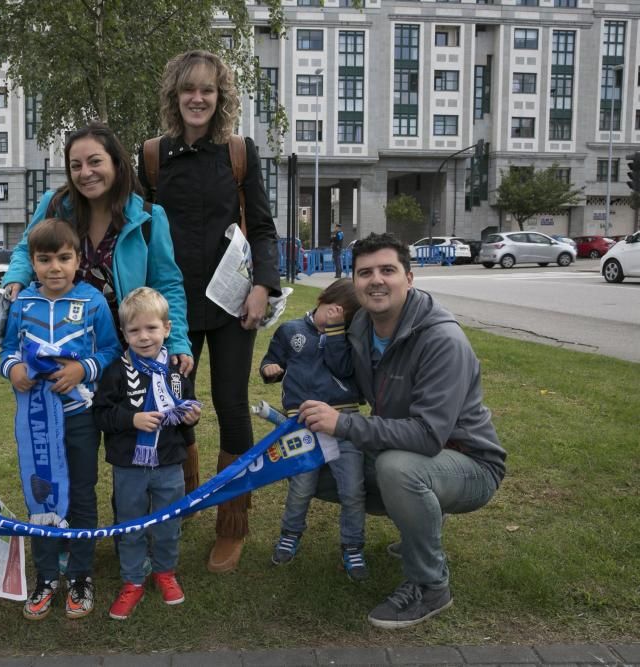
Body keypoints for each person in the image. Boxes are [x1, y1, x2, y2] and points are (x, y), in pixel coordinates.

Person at [298, 233, 506, 629]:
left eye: (387, 270)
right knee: (312, 465)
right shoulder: (360, 327)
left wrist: (342, 423)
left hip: (470, 463)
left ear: (409, 278)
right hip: (415, 453)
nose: (376, 280)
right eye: (365, 272)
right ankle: (419, 527)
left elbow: (428, 435)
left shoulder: (442, 339)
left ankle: (430, 585)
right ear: (354, 282)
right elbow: (349, 385)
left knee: (397, 469)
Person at [139, 50, 280, 573]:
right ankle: (187, 490)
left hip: (231, 305)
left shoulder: (239, 152)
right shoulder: (152, 156)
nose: (198, 99)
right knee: (176, 399)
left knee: (230, 402)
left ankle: (233, 523)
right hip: (173, 305)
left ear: (220, 98)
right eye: (188, 90)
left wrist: (263, 285)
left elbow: (262, 226)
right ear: (175, 97)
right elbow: (138, 226)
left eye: (208, 90)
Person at [0, 218, 121, 621]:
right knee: (41, 493)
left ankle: (81, 574)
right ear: (32, 262)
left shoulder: (93, 301)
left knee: (83, 494)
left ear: (78, 260)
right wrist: (13, 369)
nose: (55, 267)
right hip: (36, 419)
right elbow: (6, 351)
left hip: (79, 417)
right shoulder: (20, 304)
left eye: (64, 258)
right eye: (44, 259)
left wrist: (81, 370)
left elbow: (109, 351)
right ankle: (47, 575)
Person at [2, 121, 192, 371]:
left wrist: (177, 340)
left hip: (125, 354)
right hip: (63, 350)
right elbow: (27, 250)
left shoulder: (149, 217)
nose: (85, 172)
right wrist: (15, 278)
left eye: (95, 161)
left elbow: (167, 283)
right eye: (76, 166)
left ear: (115, 163)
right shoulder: (55, 205)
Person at [93, 287, 201, 620]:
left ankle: (165, 571)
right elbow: (101, 415)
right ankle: (133, 579)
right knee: (131, 524)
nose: (143, 337)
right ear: (123, 333)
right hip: (128, 465)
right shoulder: (115, 373)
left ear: (167, 328)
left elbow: (185, 404)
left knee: (168, 523)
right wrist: (132, 419)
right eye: (134, 330)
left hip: (169, 463)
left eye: (151, 328)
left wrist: (190, 415)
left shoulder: (175, 372)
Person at [260, 278, 368, 580]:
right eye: (331, 310)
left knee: (352, 489)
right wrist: (269, 370)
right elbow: (273, 358)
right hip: (302, 424)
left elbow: (342, 368)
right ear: (322, 298)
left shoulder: (347, 339)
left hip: (343, 422)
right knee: (300, 487)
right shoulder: (291, 330)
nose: (333, 317)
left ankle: (353, 545)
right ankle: (291, 533)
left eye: (342, 315)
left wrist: (335, 332)